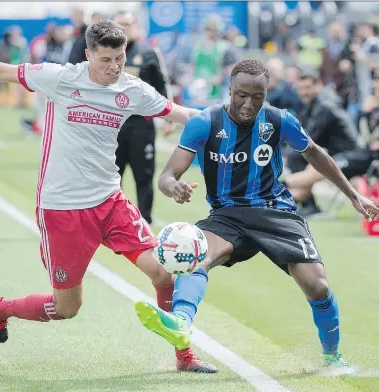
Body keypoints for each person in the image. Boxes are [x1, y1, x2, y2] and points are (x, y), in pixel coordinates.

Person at [0, 20, 216, 374]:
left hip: (109, 201)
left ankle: (184, 357)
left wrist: (232, 125)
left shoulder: (132, 88)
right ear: (88, 54)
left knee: (164, 275)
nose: (114, 67)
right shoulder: (60, 77)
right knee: (67, 308)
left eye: (119, 58)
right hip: (62, 210)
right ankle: (0, 308)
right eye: (106, 59)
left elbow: (184, 115)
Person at [134, 59, 379, 376]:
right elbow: (167, 175)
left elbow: (315, 153)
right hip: (227, 215)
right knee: (195, 257)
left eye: (257, 97)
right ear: (230, 89)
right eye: (241, 95)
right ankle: (180, 323)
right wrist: (173, 187)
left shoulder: (279, 120)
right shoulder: (205, 122)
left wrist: (353, 195)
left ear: (267, 93)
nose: (248, 104)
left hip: (276, 211)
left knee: (317, 286)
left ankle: (332, 357)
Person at [113, 10, 175, 224]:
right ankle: (114, 220)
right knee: (112, 176)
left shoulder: (148, 52)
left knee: (144, 176)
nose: (123, 29)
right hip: (113, 126)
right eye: (118, 24)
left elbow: (162, 85)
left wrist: (169, 119)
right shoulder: (106, 53)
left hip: (141, 124)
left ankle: (145, 221)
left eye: (127, 24)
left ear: (136, 27)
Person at [288, 72, 359, 217]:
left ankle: (278, 188)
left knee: (297, 158)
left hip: (351, 156)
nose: (304, 92)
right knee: (298, 159)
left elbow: (308, 138)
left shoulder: (325, 106)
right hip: (335, 154)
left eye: (308, 87)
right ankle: (300, 202)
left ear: (318, 86)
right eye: (301, 88)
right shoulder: (311, 106)